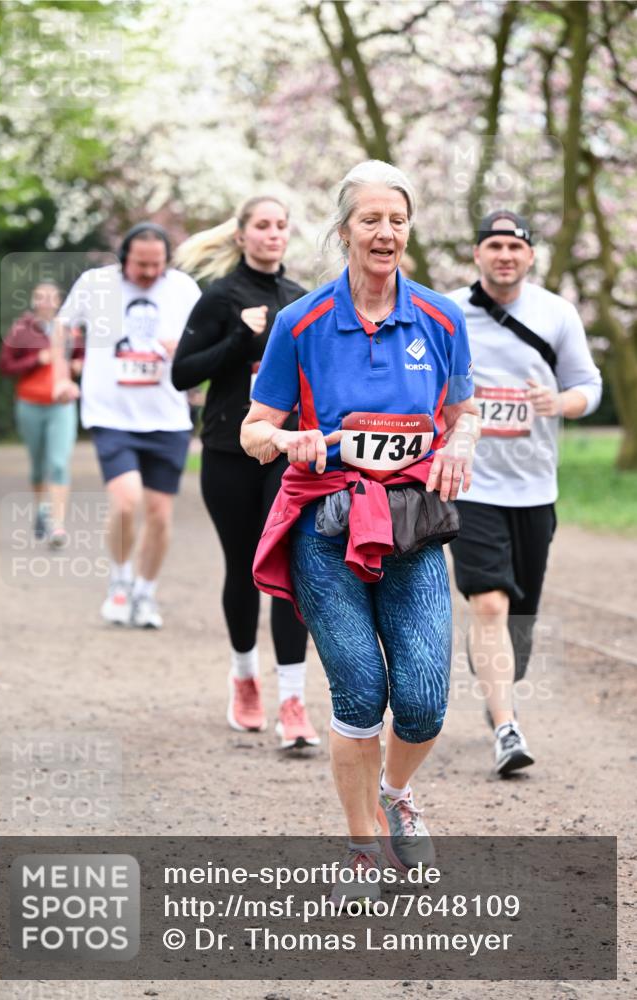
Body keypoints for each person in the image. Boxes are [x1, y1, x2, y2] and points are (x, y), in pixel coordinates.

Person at [241, 161, 478, 902]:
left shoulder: (440, 318)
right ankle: (363, 847)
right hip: (327, 525)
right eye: (369, 219)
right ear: (344, 230)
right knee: (359, 692)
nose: (384, 232)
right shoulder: (301, 323)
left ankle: (396, 793)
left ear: (408, 230)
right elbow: (253, 430)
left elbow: (460, 412)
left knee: (424, 697)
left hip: (412, 525)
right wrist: (290, 442)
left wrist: (463, 443)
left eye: (396, 220)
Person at [447, 210, 602, 777]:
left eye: (515, 246)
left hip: (535, 486)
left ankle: (500, 689)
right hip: (470, 482)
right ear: (477, 255)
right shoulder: (447, 312)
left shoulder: (556, 313)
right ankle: (508, 728)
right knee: (489, 601)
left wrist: (560, 404)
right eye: (493, 245)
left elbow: (589, 384)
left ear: (529, 256)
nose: (505, 254)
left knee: (520, 618)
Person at [171, 197, 319, 750]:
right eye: (263, 225)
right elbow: (181, 373)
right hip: (229, 452)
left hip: (286, 455)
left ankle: (293, 699)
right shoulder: (219, 298)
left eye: (282, 225)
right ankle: (244, 679)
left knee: (290, 568)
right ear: (241, 236)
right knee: (242, 567)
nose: (274, 234)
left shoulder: (300, 300)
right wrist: (236, 337)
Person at [55, 223, 201, 628]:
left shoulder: (184, 289)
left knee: (159, 513)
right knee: (125, 500)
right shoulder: (96, 284)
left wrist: (184, 348)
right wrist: (60, 377)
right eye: (141, 264)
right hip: (111, 414)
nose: (150, 273)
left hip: (167, 417)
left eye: (157, 264)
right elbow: (63, 325)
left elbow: (205, 338)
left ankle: (144, 593)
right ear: (124, 259)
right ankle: (119, 581)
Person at [0, 282, 83, 546]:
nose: (46, 302)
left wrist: (80, 365)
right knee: (38, 466)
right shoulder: (21, 330)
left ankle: (57, 526)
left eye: (51, 297)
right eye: (40, 297)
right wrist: (37, 360)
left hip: (61, 404)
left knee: (59, 463)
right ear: (34, 301)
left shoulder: (71, 329)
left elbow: (84, 358)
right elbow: (5, 366)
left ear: (59, 301)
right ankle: (40, 509)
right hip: (30, 404)